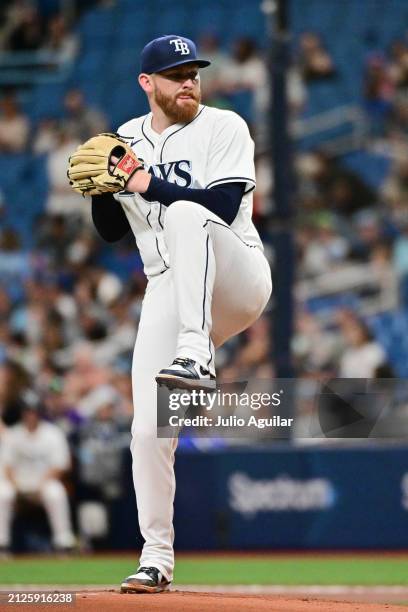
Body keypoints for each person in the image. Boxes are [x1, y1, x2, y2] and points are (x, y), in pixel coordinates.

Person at [69, 34, 272, 593]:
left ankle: (196, 354)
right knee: (146, 431)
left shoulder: (225, 126)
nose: (188, 80)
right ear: (147, 83)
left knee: (186, 213)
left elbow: (226, 207)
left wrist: (143, 181)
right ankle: (155, 558)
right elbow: (112, 233)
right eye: (176, 72)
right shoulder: (124, 140)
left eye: (194, 71)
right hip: (168, 288)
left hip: (236, 274)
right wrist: (104, 190)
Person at [0, 390, 75, 553]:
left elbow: (61, 465)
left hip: (43, 483)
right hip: (17, 483)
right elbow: (6, 467)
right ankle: (2, 543)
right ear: (22, 413)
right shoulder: (13, 434)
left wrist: (41, 486)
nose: (30, 415)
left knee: (56, 492)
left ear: (40, 412)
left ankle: (63, 542)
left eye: (33, 411)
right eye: (27, 411)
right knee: (3, 493)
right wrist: (18, 489)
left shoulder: (53, 433)